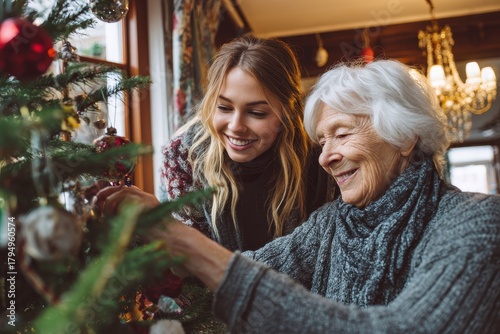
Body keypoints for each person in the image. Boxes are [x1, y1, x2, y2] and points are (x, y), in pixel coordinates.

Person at [95, 59, 500, 333]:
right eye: (322, 141)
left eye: (341, 134)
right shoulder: (330, 225)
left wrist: (182, 239)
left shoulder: (476, 221)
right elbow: (239, 271)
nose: (325, 157)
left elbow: (404, 328)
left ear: (405, 136)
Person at [159, 34, 333, 252]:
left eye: (256, 113)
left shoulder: (318, 155)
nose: (236, 126)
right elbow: (194, 262)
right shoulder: (183, 157)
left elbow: (321, 250)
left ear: (287, 114)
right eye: (223, 108)